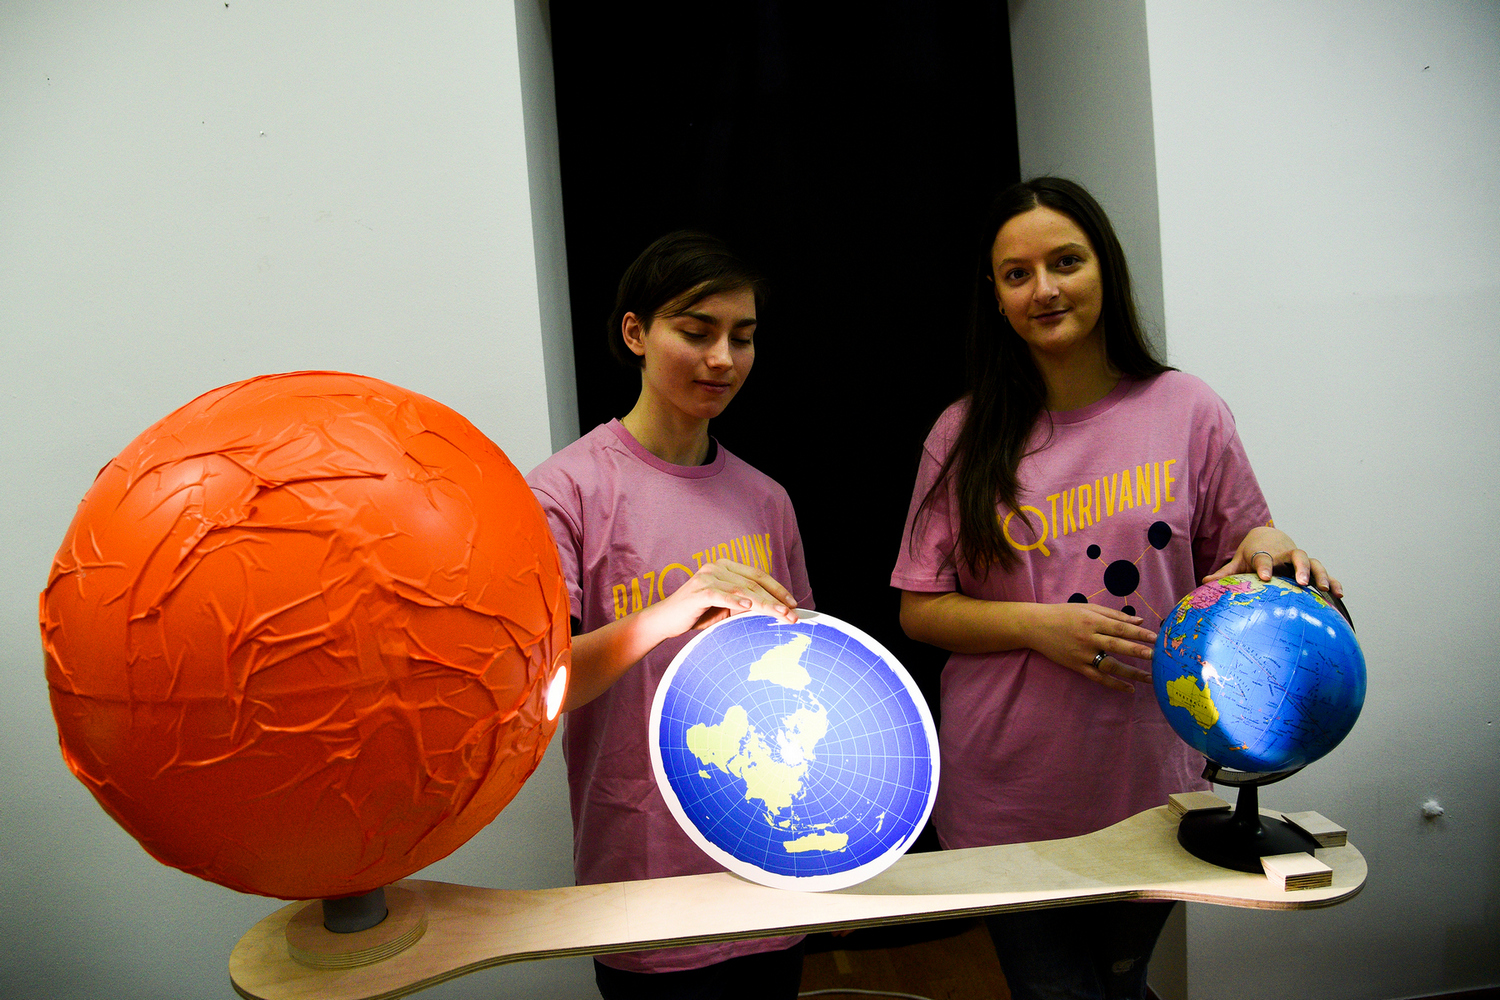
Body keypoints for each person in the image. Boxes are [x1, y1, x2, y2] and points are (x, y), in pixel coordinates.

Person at [890, 177, 1341, 1000]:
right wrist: (1037, 626)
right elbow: (918, 609)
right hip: (1008, 790)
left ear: (1106, 268)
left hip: (1151, 782)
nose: (1045, 289)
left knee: (1121, 986)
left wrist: (1271, 545)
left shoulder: (1189, 410)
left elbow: (1245, 557)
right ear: (995, 295)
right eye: (1017, 274)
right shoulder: (961, 433)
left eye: (1066, 262)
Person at [527, 231, 814, 1000]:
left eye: (742, 337)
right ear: (635, 333)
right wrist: (671, 613)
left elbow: (811, 675)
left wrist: (834, 848)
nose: (723, 358)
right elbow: (547, 686)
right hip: (643, 875)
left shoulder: (765, 500)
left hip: (769, 863)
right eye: (696, 331)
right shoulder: (565, 492)